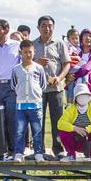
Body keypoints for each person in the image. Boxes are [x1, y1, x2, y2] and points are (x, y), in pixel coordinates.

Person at [32, 16, 72, 159]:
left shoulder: (59, 43)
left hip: (56, 88)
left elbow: (67, 63)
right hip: (37, 89)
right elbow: (25, 63)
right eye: (43, 25)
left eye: (49, 25)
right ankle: (39, 149)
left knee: (58, 120)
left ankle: (58, 148)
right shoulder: (32, 44)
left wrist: (59, 78)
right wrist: (36, 62)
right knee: (38, 120)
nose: (47, 28)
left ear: (53, 27)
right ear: (38, 28)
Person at [0, 19, 21, 159]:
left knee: (12, 117)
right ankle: (3, 149)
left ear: (6, 30)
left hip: (12, 85)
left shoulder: (17, 46)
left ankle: (15, 150)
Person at [10, 40, 47, 163]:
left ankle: (38, 153)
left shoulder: (39, 68)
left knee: (37, 130)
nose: (28, 54)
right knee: (20, 130)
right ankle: (19, 153)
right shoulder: (16, 69)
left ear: (34, 52)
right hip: (21, 105)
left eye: (30, 52)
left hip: (35, 105)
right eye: (25, 52)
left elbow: (43, 84)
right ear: (21, 53)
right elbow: (13, 85)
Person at [57, 84, 91, 164]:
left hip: (89, 138)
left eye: (85, 95)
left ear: (89, 97)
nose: (83, 97)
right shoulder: (71, 108)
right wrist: (75, 128)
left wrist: (88, 129)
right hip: (75, 138)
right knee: (63, 133)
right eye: (80, 95)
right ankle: (71, 155)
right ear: (76, 98)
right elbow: (60, 123)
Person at [66, 29, 91, 100]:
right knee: (72, 109)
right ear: (81, 38)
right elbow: (67, 64)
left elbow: (86, 69)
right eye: (85, 35)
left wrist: (73, 75)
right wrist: (67, 75)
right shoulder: (76, 52)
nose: (88, 38)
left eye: (90, 36)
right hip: (73, 87)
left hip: (87, 89)